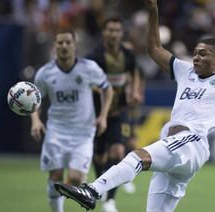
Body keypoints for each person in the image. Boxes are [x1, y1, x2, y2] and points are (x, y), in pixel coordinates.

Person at [54, 1, 215, 211]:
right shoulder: (185, 71)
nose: (195, 55)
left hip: (191, 142)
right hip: (174, 145)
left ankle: (93, 190)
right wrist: (153, 10)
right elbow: (153, 48)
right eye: (194, 51)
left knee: (137, 156)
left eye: (202, 52)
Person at [30, 29, 113, 212]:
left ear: (75, 45)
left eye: (68, 42)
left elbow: (107, 89)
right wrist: (35, 120)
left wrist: (103, 116)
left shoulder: (89, 68)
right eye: (60, 43)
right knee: (56, 176)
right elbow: (34, 99)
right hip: (56, 131)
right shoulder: (45, 73)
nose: (64, 46)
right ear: (55, 46)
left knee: (76, 178)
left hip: (83, 132)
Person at [87, 17, 143, 212]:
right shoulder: (95, 56)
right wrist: (102, 90)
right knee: (100, 155)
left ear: (121, 33)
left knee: (119, 151)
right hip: (97, 112)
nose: (113, 34)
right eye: (110, 30)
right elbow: (86, 81)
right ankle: (101, 181)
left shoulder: (128, 55)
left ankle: (110, 200)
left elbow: (135, 72)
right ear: (104, 33)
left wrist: (135, 91)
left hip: (120, 111)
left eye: (117, 30)